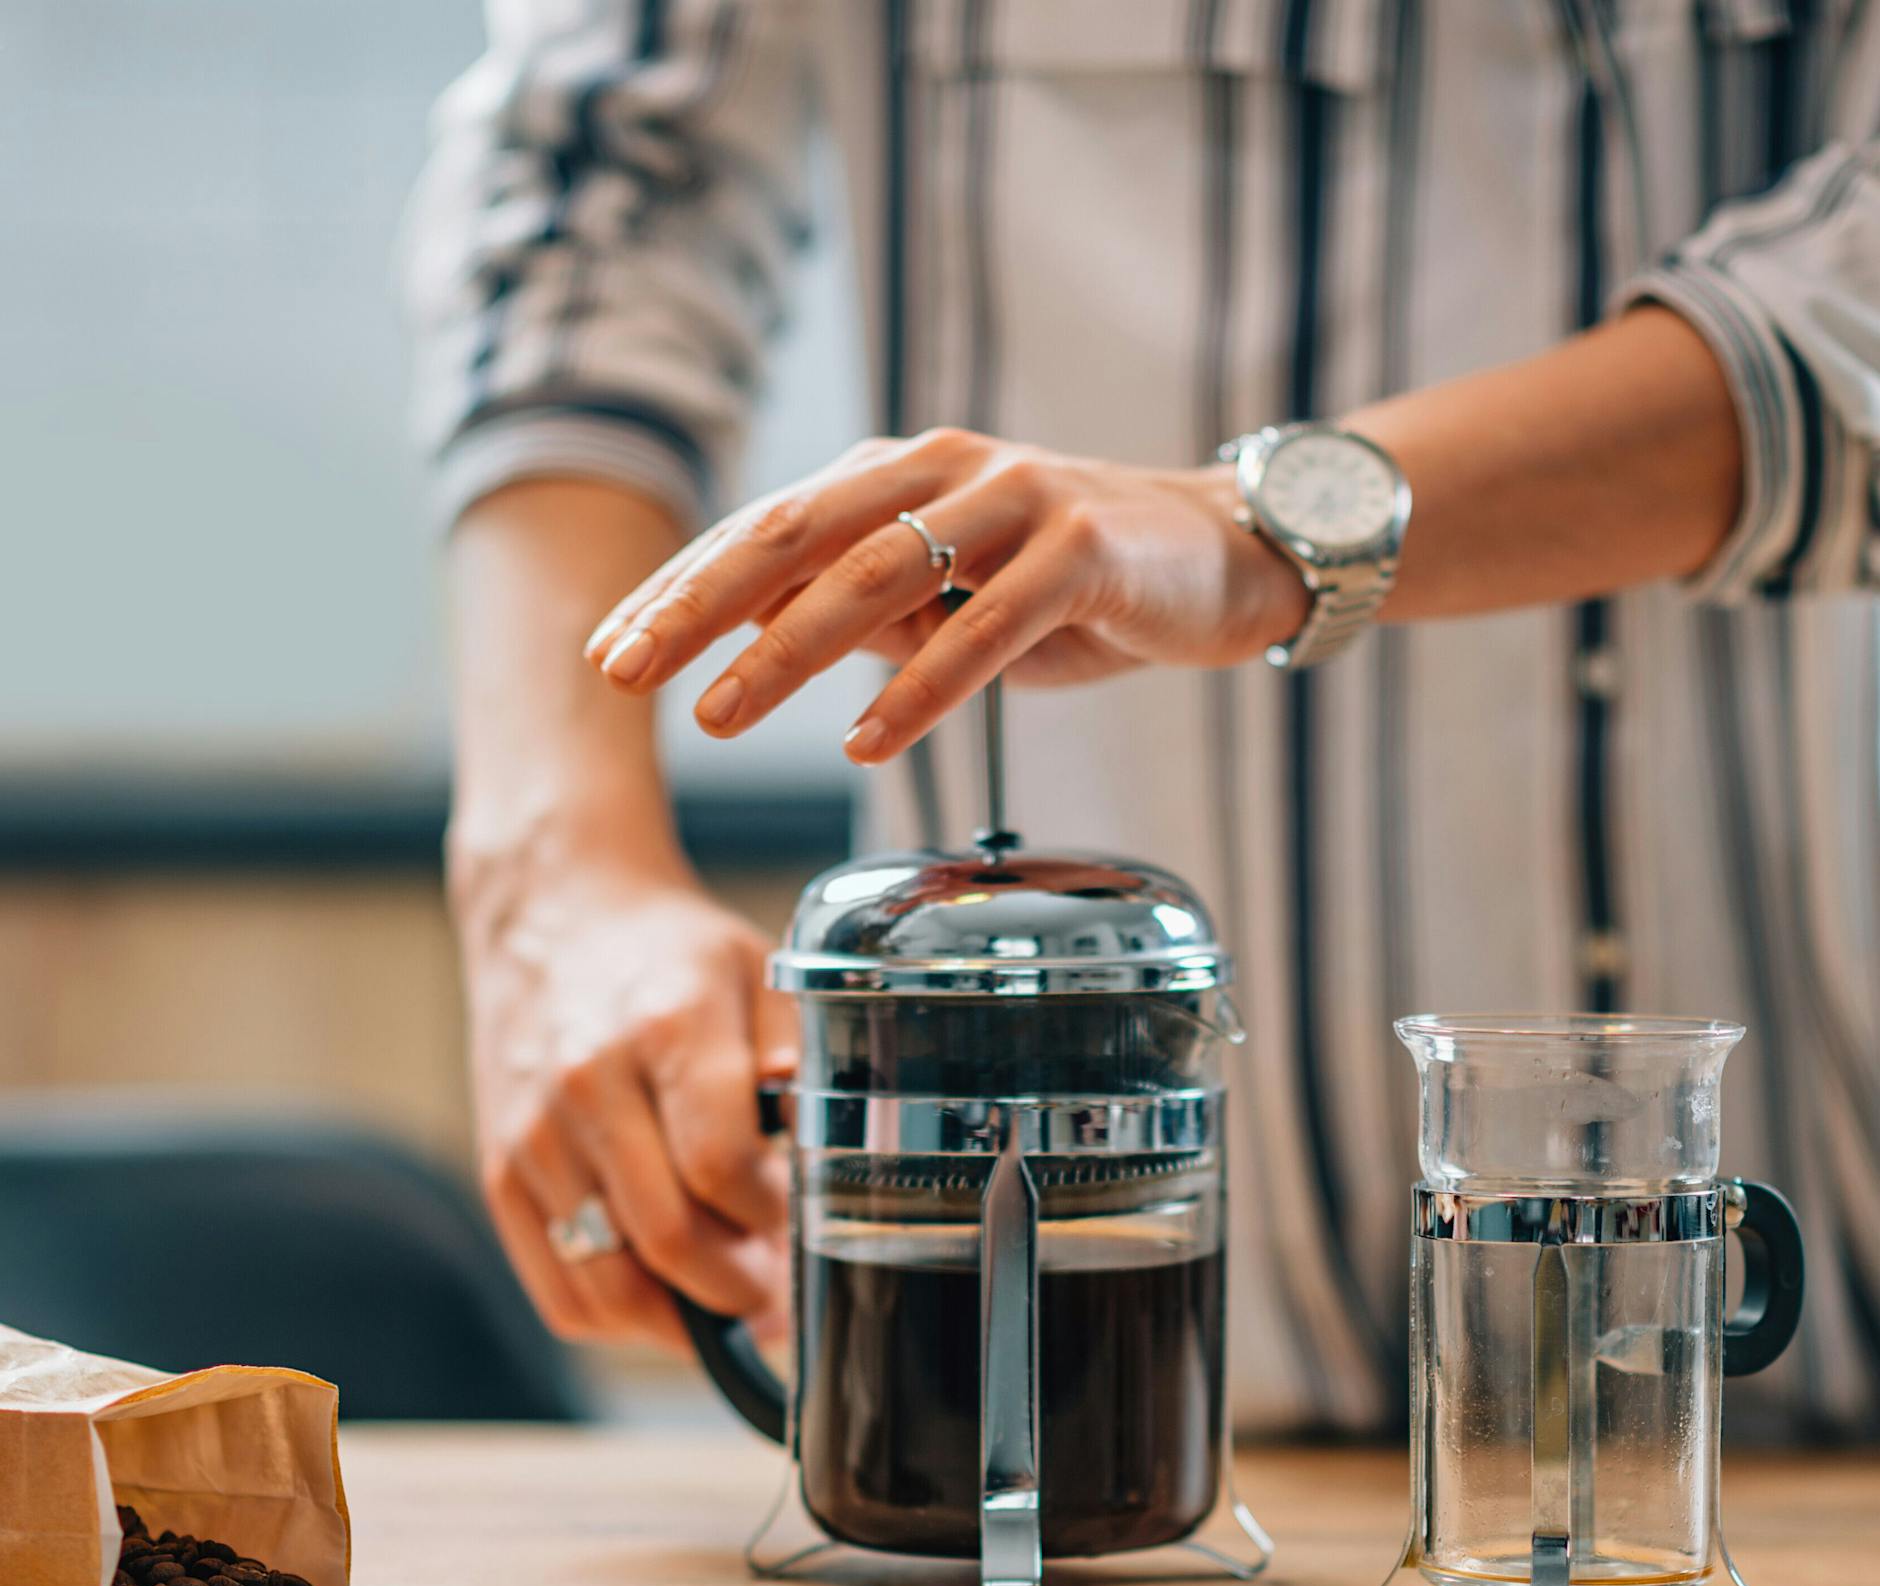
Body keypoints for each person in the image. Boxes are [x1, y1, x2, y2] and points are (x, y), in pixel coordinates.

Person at [403, 1, 1880, 1436]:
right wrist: (558, 878)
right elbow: (596, 201)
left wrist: (1266, 531)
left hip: (1822, 1350)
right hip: (1109, 1414)